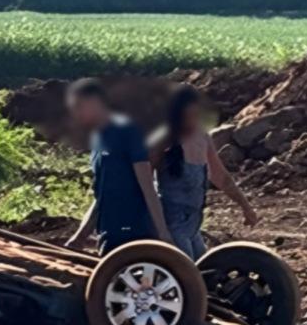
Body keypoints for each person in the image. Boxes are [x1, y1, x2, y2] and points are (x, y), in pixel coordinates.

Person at [150, 84, 258, 259]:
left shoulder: (202, 137)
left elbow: (221, 177)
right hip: (172, 223)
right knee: (188, 276)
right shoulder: (163, 140)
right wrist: (160, 229)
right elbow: (145, 182)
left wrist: (245, 207)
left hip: (193, 223)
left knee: (207, 269)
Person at [65, 78, 169, 253]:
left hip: (132, 234)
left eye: (78, 106)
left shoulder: (127, 133)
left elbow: (148, 187)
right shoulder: (97, 139)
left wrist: (164, 234)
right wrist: (79, 237)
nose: (76, 113)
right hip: (108, 234)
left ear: (94, 102)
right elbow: (101, 197)